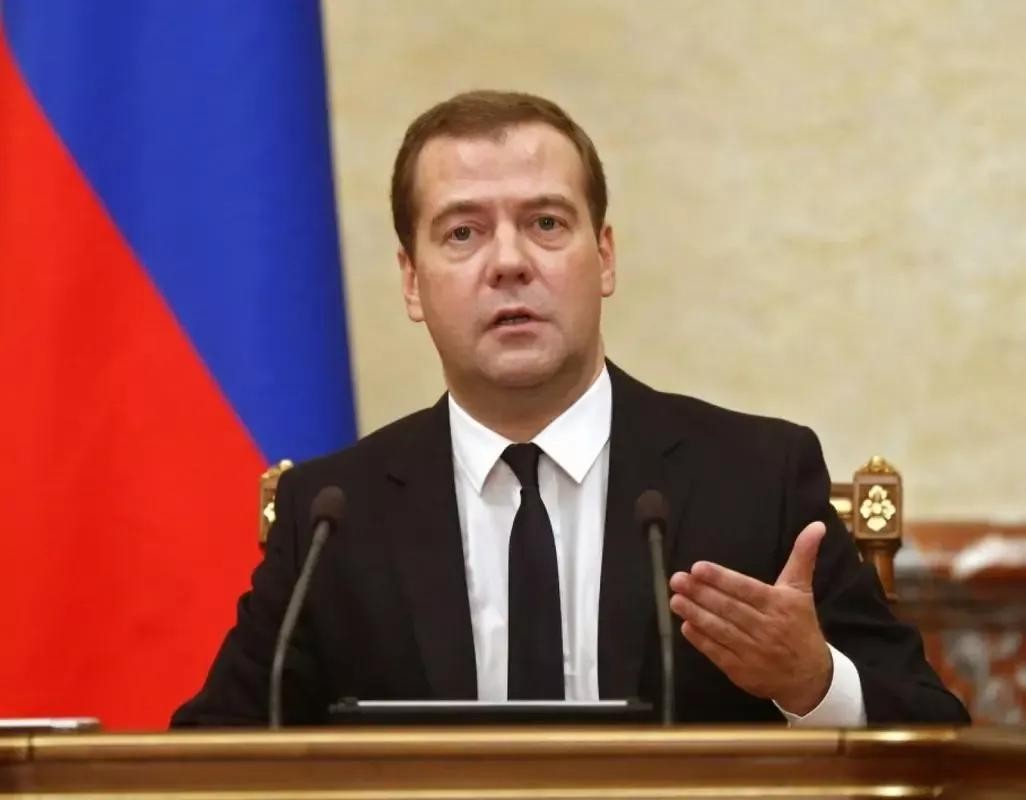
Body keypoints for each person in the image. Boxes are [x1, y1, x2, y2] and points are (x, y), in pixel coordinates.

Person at [172, 90, 968, 726]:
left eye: (546, 223)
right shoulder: (333, 516)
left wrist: (812, 682)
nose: (509, 262)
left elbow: (935, 734)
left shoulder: (755, 479)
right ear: (412, 282)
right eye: (463, 233)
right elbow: (215, 756)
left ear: (604, 258)